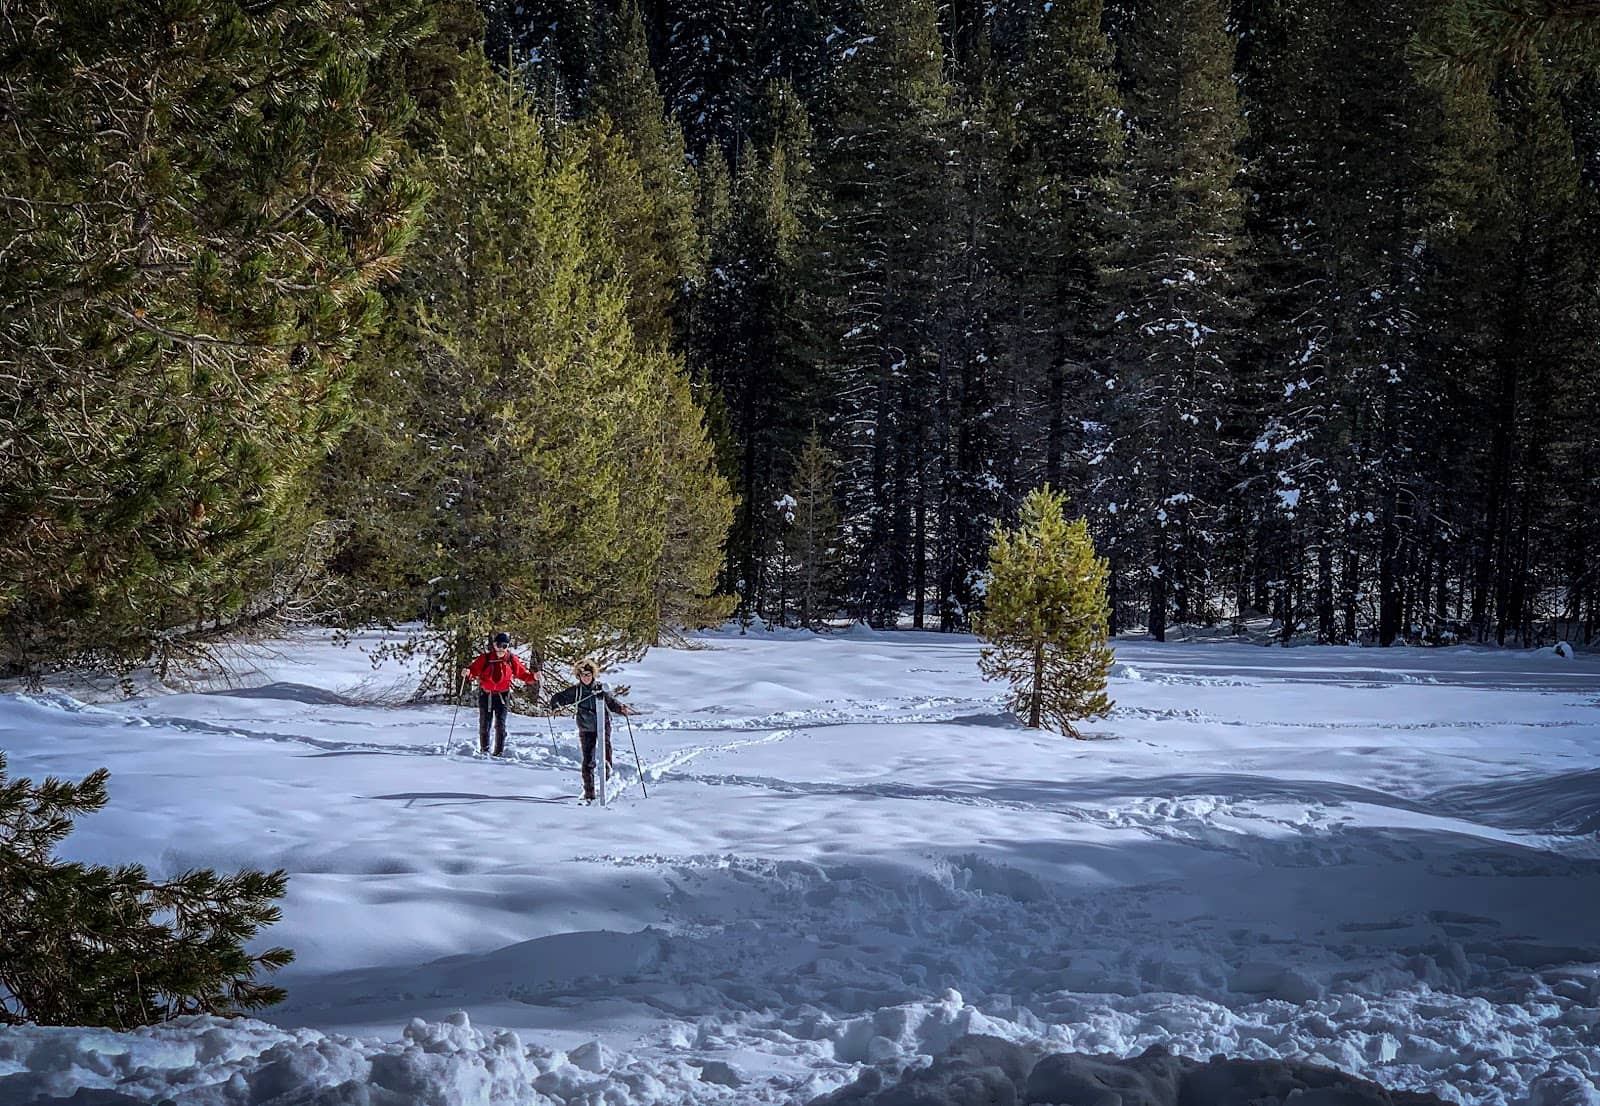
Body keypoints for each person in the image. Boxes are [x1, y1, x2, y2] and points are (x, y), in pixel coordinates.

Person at [547, 658, 631, 800]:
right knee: (588, 760)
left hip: (602, 725)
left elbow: (611, 703)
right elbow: (559, 697)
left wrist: (620, 708)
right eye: (583, 675)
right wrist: (555, 705)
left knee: (605, 748)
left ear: (593, 675)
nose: (586, 677)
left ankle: (607, 769)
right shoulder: (576, 691)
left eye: (588, 674)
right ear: (579, 676)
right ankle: (589, 792)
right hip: (586, 728)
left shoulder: (600, 688)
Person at [460, 632, 539, 756]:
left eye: (504, 646)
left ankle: (499, 752)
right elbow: (474, 671)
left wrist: (534, 677)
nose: (501, 648)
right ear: (494, 645)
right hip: (486, 695)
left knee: (500, 725)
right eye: (498, 645)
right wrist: (468, 672)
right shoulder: (485, 658)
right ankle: (484, 750)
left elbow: (522, 674)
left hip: (503, 696)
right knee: (485, 724)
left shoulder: (511, 659)